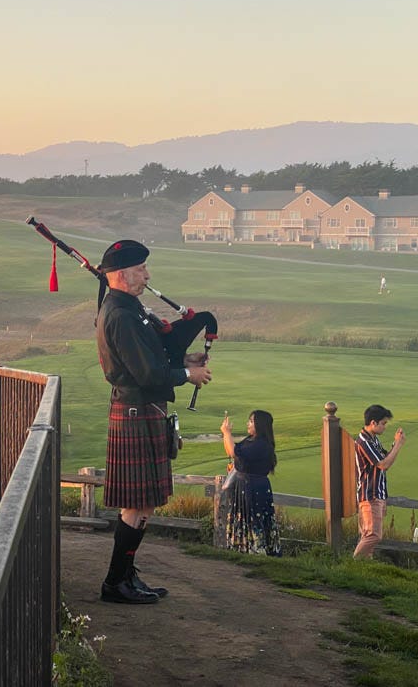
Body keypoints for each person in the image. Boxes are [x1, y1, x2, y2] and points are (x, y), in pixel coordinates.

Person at [95, 239, 212, 604]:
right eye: (141, 269)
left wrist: (184, 361)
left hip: (141, 410)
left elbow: (153, 355)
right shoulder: (120, 314)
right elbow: (146, 373)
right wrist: (186, 377)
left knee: (142, 503)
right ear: (120, 274)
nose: (147, 274)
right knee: (137, 504)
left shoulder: (130, 308)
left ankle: (125, 575)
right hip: (136, 409)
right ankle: (116, 582)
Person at [220, 410, 282, 556]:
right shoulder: (250, 440)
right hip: (244, 486)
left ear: (260, 425)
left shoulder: (262, 444)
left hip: (254, 488)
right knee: (243, 518)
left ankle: (257, 550)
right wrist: (225, 434)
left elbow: (233, 452)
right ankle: (243, 548)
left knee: (254, 519)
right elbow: (233, 451)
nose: (248, 424)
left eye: (252, 421)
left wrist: (227, 432)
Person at [353, 404, 406, 559]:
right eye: (383, 423)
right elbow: (383, 464)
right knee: (373, 535)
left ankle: (363, 569)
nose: (385, 427)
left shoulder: (373, 439)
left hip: (377, 494)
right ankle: (353, 565)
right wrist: (398, 444)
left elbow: (384, 462)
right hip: (370, 495)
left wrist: (395, 446)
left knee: (368, 537)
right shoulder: (364, 441)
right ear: (373, 423)